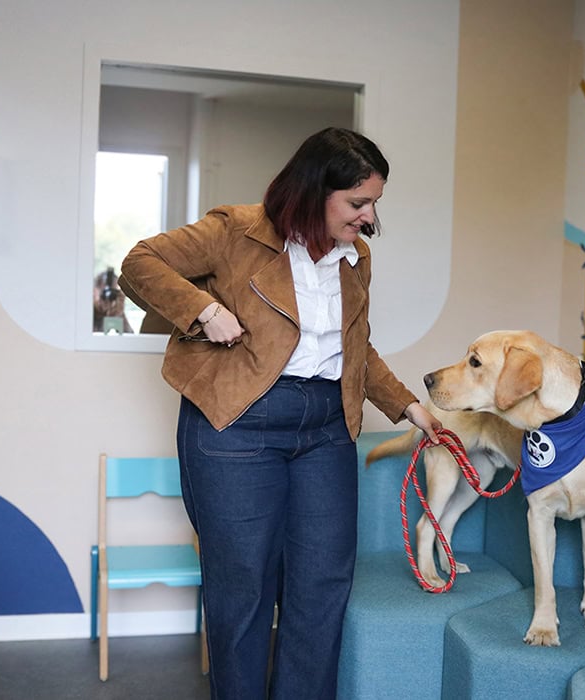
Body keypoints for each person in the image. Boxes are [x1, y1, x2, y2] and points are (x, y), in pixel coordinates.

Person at [119, 127, 442, 699]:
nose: (369, 219)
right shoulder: (234, 230)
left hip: (325, 428)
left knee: (322, 584)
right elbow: (140, 263)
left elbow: (354, 346)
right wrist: (202, 310)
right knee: (243, 585)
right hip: (236, 426)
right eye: (358, 203)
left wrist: (409, 406)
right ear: (316, 190)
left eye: (374, 205)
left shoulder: (354, 257)